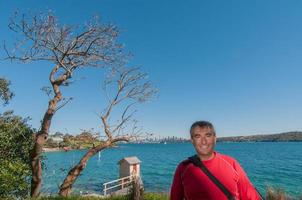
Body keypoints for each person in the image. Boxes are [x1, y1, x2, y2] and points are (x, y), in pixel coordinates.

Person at [170, 121, 261, 200]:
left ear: (215, 139)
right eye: (198, 136)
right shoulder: (183, 168)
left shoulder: (231, 164)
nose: (203, 141)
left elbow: (251, 197)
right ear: (192, 140)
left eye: (208, 135)